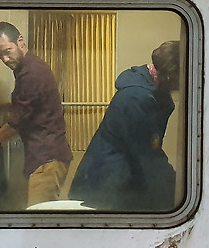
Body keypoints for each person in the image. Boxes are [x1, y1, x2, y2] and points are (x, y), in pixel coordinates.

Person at [69, 40, 181, 211]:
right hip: (107, 187)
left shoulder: (150, 91)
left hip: (115, 179)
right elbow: (147, 156)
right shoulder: (136, 98)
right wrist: (178, 191)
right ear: (170, 75)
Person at [0, 22, 72, 206]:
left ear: (20, 41)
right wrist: (2, 107)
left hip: (47, 157)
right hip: (47, 154)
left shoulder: (31, 73)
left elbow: (19, 122)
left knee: (39, 214)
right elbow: (33, 105)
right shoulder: (27, 67)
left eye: (7, 51)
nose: (4, 59)